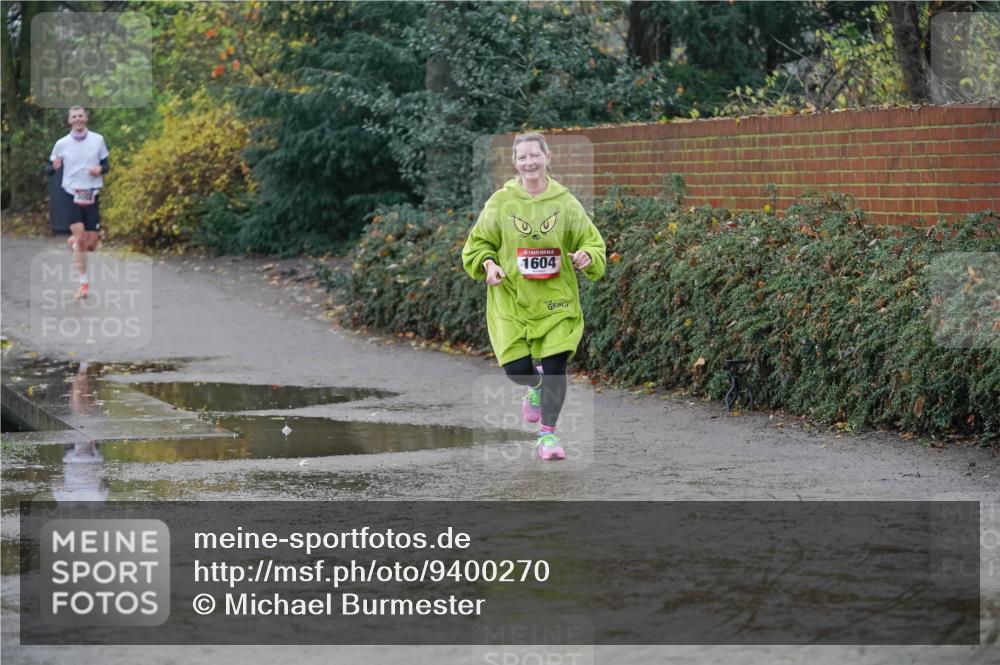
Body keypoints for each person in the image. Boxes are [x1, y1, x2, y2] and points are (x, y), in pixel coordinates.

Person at [462, 132, 606, 461]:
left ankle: (548, 436)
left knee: (556, 366)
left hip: (556, 301)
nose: (529, 162)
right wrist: (488, 264)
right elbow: (477, 244)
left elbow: (591, 241)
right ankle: (534, 386)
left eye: (535, 155)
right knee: (517, 370)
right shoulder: (501, 202)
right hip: (511, 300)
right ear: (515, 163)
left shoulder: (565, 202)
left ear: (547, 157)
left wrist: (586, 255)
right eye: (522, 157)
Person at [48, 106, 109, 299]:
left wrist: (100, 169)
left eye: (80, 116)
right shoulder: (61, 143)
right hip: (70, 193)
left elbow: (106, 165)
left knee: (91, 243)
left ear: (86, 118)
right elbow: (50, 168)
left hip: (92, 193)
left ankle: (74, 241)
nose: (77, 119)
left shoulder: (98, 140)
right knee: (81, 240)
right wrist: (53, 167)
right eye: (74, 117)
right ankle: (83, 284)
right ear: (69, 121)